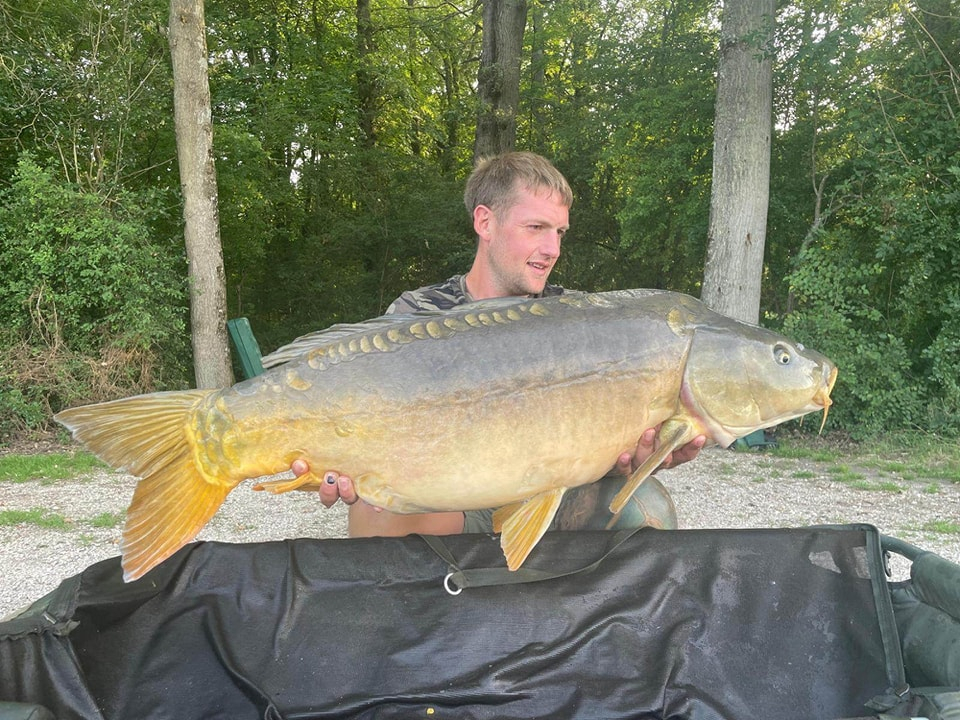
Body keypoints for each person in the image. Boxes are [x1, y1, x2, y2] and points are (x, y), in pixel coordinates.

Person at [293, 151, 705, 537]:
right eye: (536, 228)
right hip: (455, 491)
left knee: (647, 508)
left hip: (550, 492)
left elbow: (603, 440)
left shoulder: (579, 319)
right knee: (373, 513)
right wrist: (342, 466)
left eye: (559, 232)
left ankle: (564, 589)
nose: (552, 249)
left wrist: (647, 456)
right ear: (485, 222)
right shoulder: (418, 315)